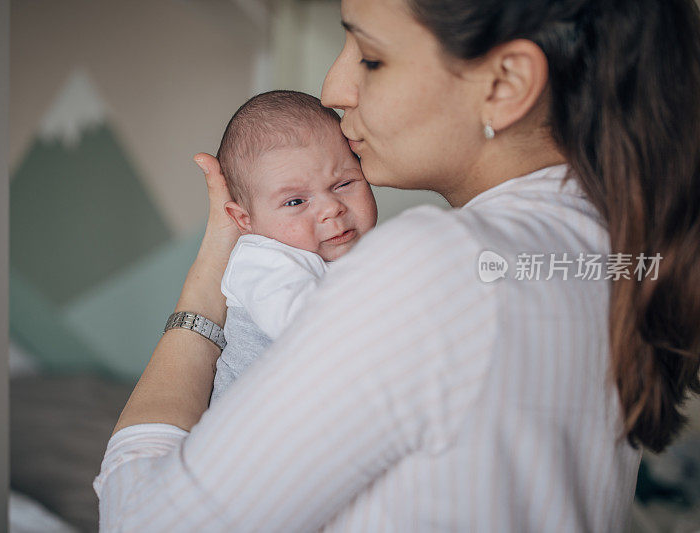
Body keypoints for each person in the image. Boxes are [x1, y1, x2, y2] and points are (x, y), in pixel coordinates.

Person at [93, 0, 700, 530]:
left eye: (371, 57)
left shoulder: (438, 267)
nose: (333, 89)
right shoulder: (615, 258)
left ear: (506, 82)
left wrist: (207, 279)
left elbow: (138, 523)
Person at [210, 90, 378, 404]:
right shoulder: (261, 260)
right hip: (253, 430)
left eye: (344, 184)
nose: (332, 208)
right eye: (296, 201)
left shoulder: (370, 253)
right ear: (245, 219)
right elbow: (306, 328)